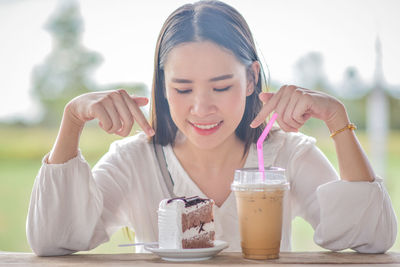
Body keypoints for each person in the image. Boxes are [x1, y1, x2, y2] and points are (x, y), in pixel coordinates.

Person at [26, 0, 397, 256]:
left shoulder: (287, 155)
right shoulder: (135, 160)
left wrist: (337, 118)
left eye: (221, 87)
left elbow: (371, 238)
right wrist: (73, 119)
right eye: (182, 88)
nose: (202, 108)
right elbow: (53, 240)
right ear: (161, 84)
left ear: (252, 79)